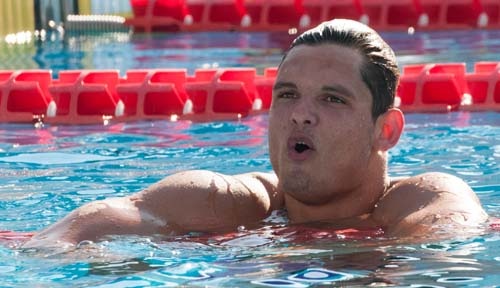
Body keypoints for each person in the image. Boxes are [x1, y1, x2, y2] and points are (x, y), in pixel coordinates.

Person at [23, 19, 488, 248]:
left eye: (332, 99)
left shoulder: (427, 201)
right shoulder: (219, 202)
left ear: (386, 130)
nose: (300, 116)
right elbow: (57, 244)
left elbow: (448, 257)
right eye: (286, 95)